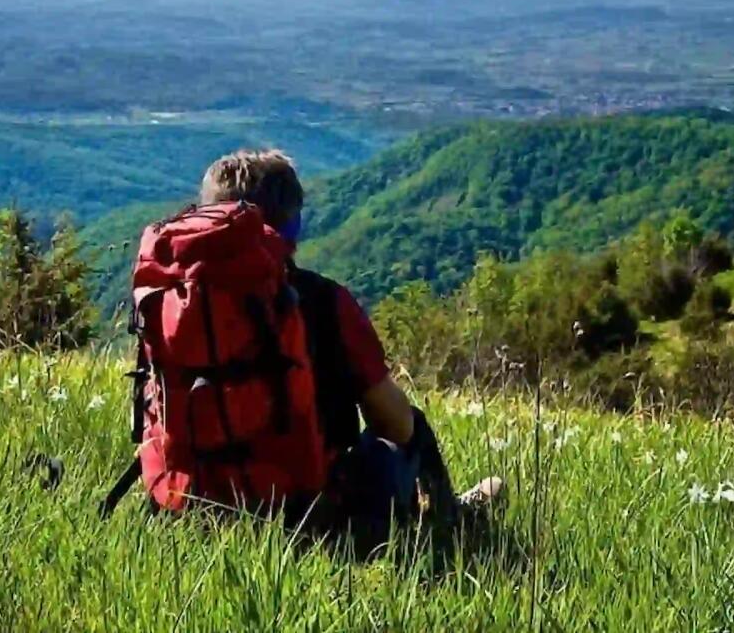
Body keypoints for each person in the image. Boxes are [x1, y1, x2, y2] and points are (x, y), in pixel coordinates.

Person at [196, 148, 503, 553]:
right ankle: (451, 522)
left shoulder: (175, 300)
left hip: (198, 508)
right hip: (308, 518)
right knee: (413, 423)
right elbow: (395, 426)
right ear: (292, 226)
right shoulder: (323, 302)